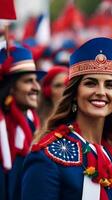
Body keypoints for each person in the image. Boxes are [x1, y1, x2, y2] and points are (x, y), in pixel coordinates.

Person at [22, 37, 112, 200]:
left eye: (109, 85)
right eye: (90, 83)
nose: (101, 92)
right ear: (74, 94)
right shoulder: (46, 158)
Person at [0, 46, 45, 200]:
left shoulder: (34, 121)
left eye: (36, 81)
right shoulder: (2, 128)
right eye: (28, 81)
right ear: (10, 88)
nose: (36, 87)